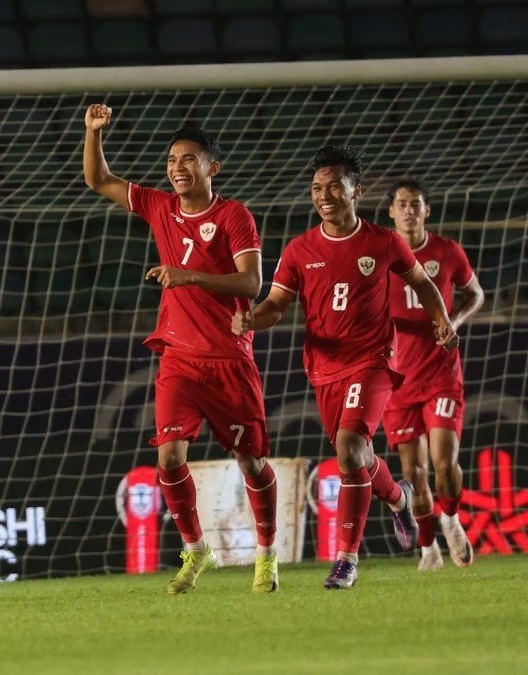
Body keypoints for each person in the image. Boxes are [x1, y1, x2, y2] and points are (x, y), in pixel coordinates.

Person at [233, 146, 459, 590]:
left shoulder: (383, 241)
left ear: (357, 189)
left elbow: (423, 283)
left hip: (374, 362)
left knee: (350, 450)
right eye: (317, 188)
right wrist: (250, 319)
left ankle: (346, 560)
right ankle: (399, 498)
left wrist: (442, 321)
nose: (325, 194)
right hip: (324, 369)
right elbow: (276, 305)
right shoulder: (300, 250)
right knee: (358, 456)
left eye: (335, 185)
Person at [84, 105, 280, 594]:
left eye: (189, 159)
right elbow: (98, 179)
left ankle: (266, 554)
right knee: (169, 459)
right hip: (178, 358)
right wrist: (93, 133)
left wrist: (189, 276)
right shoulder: (158, 206)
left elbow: (253, 283)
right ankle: (196, 550)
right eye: (172, 159)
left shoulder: (235, 215)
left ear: (213, 167)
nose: (177, 167)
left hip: (230, 359)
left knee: (252, 463)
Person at [382, 178, 483, 571]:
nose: (409, 210)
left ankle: (452, 518)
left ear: (427, 210)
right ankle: (428, 549)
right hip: (398, 382)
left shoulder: (446, 251)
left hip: (441, 374)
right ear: (391, 211)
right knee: (414, 473)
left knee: (444, 463)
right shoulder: (380, 255)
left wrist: (454, 320)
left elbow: (476, 294)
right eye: (402, 204)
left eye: (416, 204)